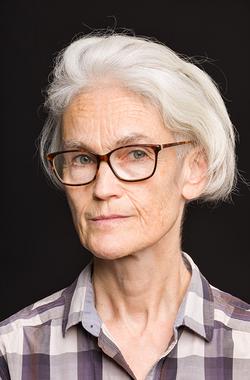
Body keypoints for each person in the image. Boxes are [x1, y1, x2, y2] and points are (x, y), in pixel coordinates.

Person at [0, 32, 249, 380]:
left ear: (195, 169)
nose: (103, 188)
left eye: (136, 154)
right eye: (82, 158)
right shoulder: (13, 352)